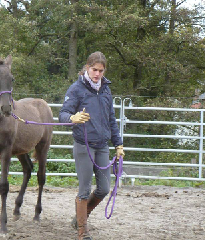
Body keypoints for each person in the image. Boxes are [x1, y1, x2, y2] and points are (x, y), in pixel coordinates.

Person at [58, 51, 125, 240]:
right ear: (87, 67)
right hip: (83, 145)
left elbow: (111, 119)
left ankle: (80, 217)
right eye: (94, 69)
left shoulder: (106, 89)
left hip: (102, 146)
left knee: (104, 188)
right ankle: (82, 231)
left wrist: (118, 144)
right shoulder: (76, 89)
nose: (97, 74)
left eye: (100, 71)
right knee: (85, 189)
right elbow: (62, 114)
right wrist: (72, 118)